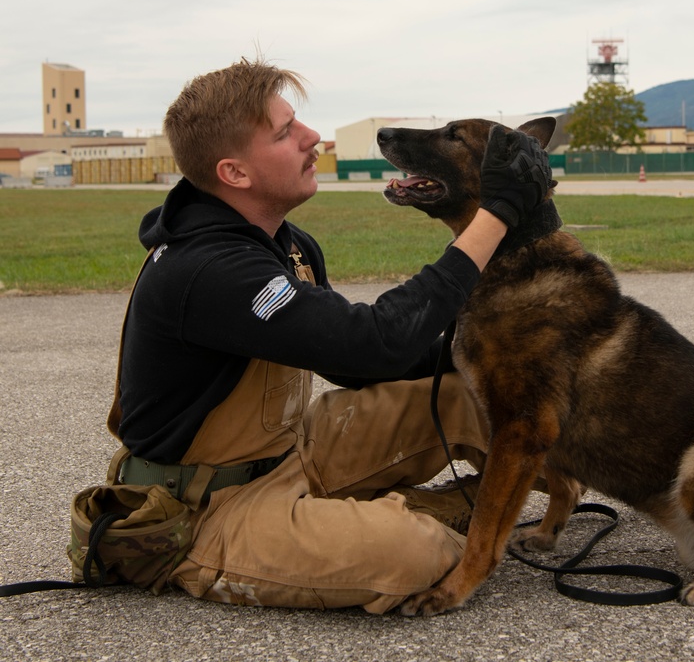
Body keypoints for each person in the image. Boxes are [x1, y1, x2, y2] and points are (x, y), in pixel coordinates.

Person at [107, 58, 552, 612]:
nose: (312, 137)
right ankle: (414, 515)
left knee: (479, 394)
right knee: (416, 555)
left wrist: (480, 355)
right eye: (285, 132)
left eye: (299, 122)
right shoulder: (208, 269)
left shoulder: (287, 244)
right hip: (208, 507)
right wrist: (499, 213)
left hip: (291, 452)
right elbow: (374, 342)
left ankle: (409, 507)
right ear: (235, 173)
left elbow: (353, 365)